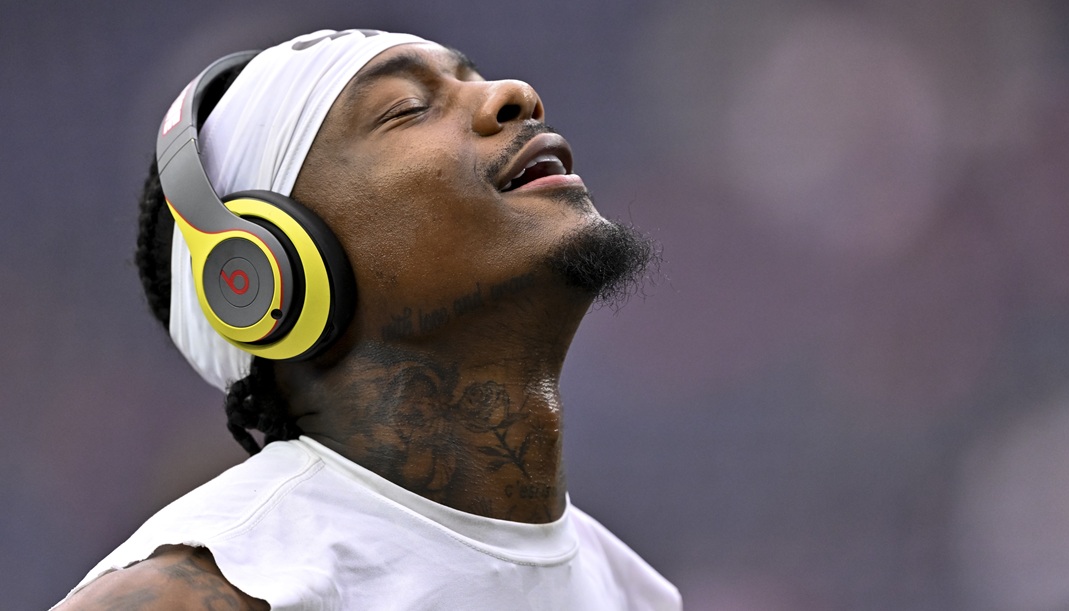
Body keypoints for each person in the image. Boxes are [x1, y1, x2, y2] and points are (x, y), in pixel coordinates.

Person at [55, 28, 681, 610]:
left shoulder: (638, 594)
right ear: (266, 266)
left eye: (473, 78)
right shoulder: (196, 596)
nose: (518, 95)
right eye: (407, 107)